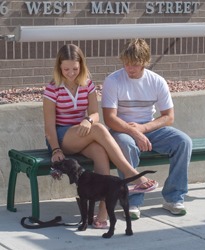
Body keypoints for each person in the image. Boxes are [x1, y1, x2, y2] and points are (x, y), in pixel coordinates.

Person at [43, 44, 158, 229]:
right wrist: (56, 149)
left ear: (81, 65)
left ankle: (102, 215)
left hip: (83, 133)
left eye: (75, 68)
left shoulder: (87, 84)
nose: (70, 73)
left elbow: (95, 114)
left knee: (100, 153)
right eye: (66, 69)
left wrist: (88, 120)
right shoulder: (52, 88)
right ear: (59, 67)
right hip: (61, 138)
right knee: (99, 129)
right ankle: (133, 174)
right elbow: (49, 126)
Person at [101, 38, 192, 220]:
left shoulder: (156, 81)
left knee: (183, 142)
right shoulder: (113, 80)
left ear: (145, 62)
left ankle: (173, 198)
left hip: (149, 128)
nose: (129, 69)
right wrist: (134, 131)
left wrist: (143, 128)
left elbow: (169, 116)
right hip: (121, 130)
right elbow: (110, 118)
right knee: (127, 145)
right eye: (126, 64)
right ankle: (132, 200)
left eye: (134, 65)